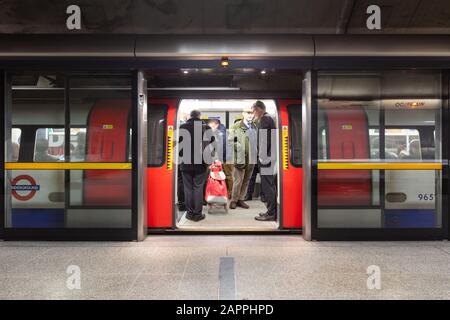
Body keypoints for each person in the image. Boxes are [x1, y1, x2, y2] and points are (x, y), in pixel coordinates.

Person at [179, 110, 211, 222]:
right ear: (199, 116)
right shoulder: (206, 127)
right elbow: (212, 144)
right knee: (198, 188)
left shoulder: (182, 126)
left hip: (185, 163)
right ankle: (197, 214)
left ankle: (189, 213)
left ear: (190, 116)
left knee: (188, 188)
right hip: (201, 163)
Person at [252, 100, 277, 221]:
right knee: (269, 184)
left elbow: (264, 139)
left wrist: (262, 156)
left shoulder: (265, 119)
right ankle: (271, 210)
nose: (254, 113)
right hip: (268, 156)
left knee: (268, 186)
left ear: (259, 109)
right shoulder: (269, 118)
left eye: (254, 110)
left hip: (266, 157)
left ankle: (271, 213)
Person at [228, 107, 257, 209]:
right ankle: (234, 200)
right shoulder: (236, 126)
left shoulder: (254, 126)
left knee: (246, 179)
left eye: (252, 113)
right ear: (243, 114)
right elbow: (231, 140)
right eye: (248, 113)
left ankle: (241, 199)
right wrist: (241, 148)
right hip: (240, 157)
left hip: (252, 157)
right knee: (238, 180)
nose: (250, 115)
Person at [207, 118, 233, 196]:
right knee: (225, 176)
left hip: (224, 158)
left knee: (227, 176)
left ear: (216, 124)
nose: (210, 128)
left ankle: (229, 193)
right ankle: (224, 192)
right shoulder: (221, 132)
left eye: (211, 126)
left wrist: (221, 159)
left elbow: (223, 146)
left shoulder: (222, 133)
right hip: (223, 157)